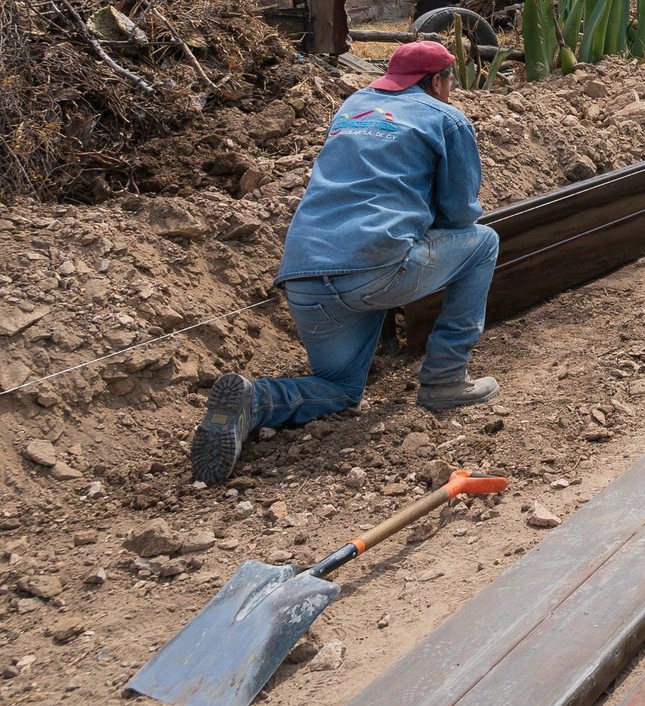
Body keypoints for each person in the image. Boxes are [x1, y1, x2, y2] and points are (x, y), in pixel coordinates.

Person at [189, 40, 502, 483]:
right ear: (438, 81)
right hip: (377, 269)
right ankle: (446, 379)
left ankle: (255, 401)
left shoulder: (353, 106)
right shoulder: (445, 118)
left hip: (305, 275)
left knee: (341, 389)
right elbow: (459, 213)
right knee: (483, 241)